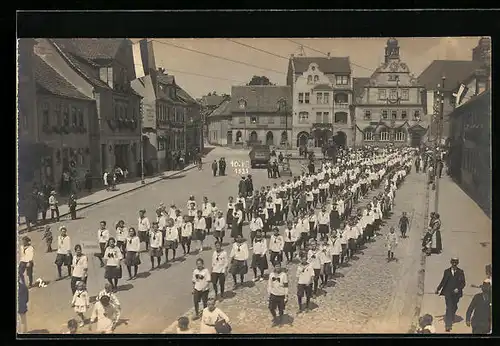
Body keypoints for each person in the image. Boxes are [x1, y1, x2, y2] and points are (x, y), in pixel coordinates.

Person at [435, 257, 466, 332]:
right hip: (448, 293)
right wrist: (438, 289)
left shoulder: (460, 272)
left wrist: (458, 288)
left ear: (457, 263)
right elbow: (443, 281)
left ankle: (451, 316)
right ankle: (448, 325)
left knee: (454, 307)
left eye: (455, 263)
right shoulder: (447, 271)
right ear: (451, 263)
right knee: (449, 307)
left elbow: (463, 283)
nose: (454, 264)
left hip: (456, 294)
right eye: (453, 263)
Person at [267, 261, 288, 327]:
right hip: (273, 294)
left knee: (281, 309)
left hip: (281, 294)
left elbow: (286, 286)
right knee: (271, 308)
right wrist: (269, 293)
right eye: (276, 266)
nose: (277, 267)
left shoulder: (284, 275)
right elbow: (269, 285)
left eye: (279, 266)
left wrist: (286, 295)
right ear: (274, 267)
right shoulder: (271, 274)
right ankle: (275, 318)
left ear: (280, 266)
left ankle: (281, 320)